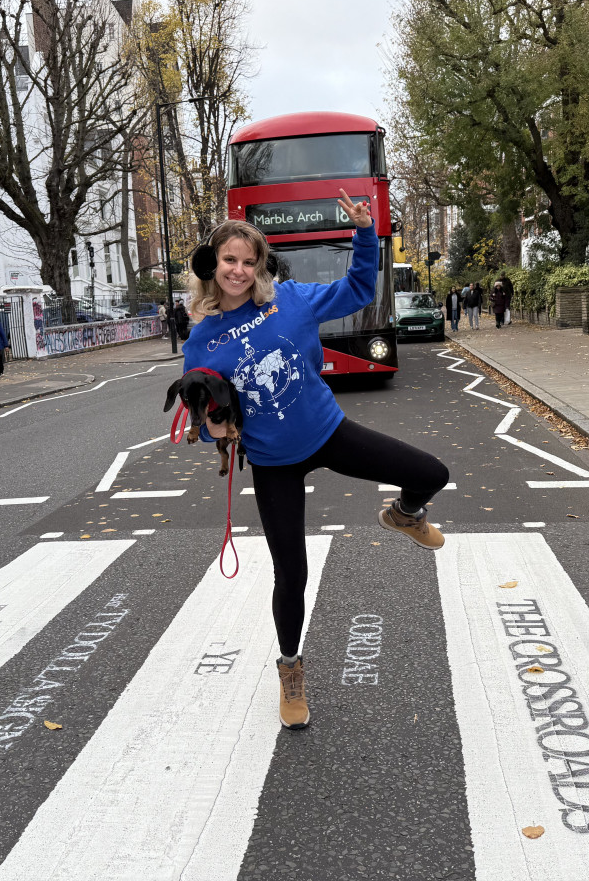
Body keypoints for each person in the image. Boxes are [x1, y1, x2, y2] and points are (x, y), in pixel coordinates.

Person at [182, 190, 450, 731]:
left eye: (248, 261)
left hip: (328, 432)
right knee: (292, 573)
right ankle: (290, 669)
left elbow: (356, 288)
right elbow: (209, 414)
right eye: (229, 259)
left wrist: (365, 232)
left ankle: (404, 514)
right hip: (274, 461)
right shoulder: (201, 341)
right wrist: (215, 428)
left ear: (260, 266)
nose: (238, 269)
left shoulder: (291, 300)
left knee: (431, 474)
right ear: (213, 265)